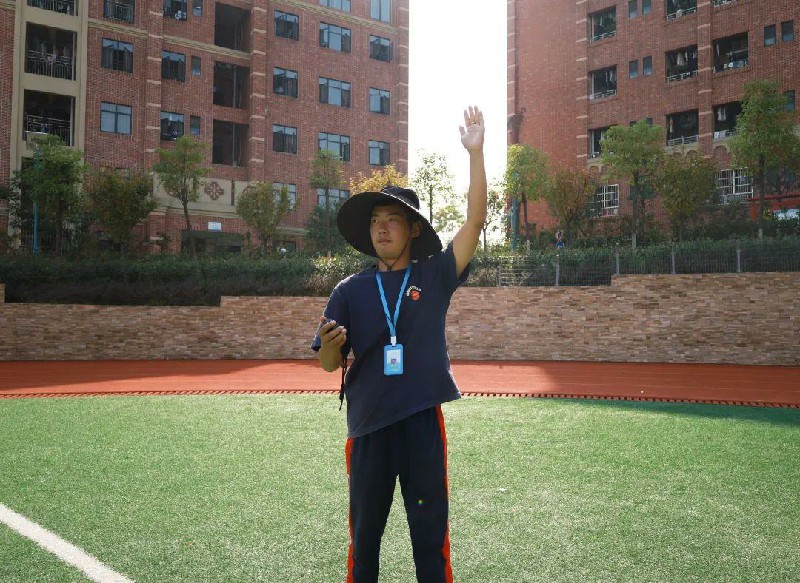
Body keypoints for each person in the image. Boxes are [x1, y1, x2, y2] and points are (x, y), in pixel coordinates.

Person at [311, 106, 487, 583]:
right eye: (376, 221)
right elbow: (329, 364)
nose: (382, 228)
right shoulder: (349, 290)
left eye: (393, 219)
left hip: (421, 425)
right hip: (368, 428)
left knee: (430, 541)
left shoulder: (434, 276)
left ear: (413, 229)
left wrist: (475, 154)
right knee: (364, 541)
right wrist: (330, 345)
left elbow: (474, 221)